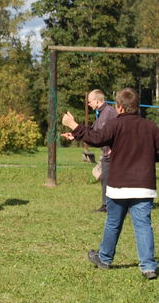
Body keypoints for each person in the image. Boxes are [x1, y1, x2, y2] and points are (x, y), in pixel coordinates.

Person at [62, 88, 159, 280]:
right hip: (144, 186)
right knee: (143, 226)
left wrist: (73, 124)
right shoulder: (151, 127)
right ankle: (148, 267)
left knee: (113, 223)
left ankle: (105, 259)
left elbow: (96, 138)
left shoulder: (116, 124)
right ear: (137, 107)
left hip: (119, 186)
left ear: (119, 107)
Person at [87, 89, 117, 213]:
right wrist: (75, 134)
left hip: (113, 153)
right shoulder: (101, 113)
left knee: (109, 178)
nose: (89, 104)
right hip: (105, 153)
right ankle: (106, 205)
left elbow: (118, 131)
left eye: (89, 101)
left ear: (96, 100)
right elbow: (93, 131)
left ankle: (112, 206)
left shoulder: (110, 112)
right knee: (105, 178)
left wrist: (114, 148)